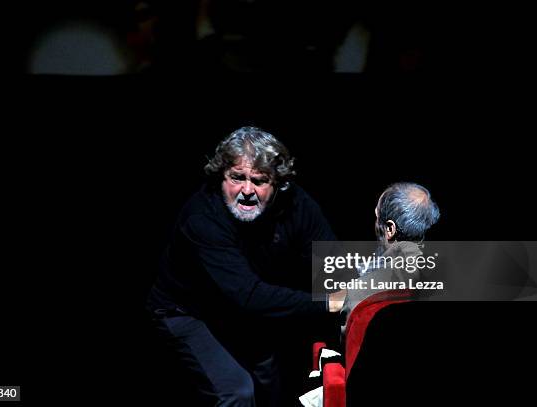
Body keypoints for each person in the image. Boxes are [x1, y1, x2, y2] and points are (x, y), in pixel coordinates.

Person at [147, 126, 345, 406]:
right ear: (221, 177)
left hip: (237, 310)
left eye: (259, 180)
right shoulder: (203, 218)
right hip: (186, 312)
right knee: (236, 391)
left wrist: (366, 285)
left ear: (278, 183)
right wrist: (329, 302)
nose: (247, 191)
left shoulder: (296, 204)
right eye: (236, 178)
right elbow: (249, 295)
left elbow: (332, 257)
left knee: (271, 380)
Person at [341, 182, 441, 321]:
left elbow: (349, 339)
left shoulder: (359, 294)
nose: (375, 223)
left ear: (390, 229)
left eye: (377, 215)